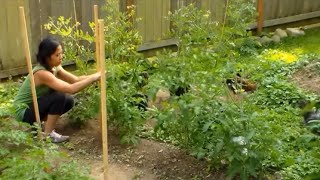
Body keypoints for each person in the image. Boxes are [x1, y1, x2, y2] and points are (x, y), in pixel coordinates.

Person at [13, 37, 101, 143]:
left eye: (61, 53)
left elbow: (75, 80)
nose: (61, 57)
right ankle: (48, 135)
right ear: (47, 57)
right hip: (23, 112)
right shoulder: (42, 73)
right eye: (57, 55)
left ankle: (41, 126)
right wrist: (93, 78)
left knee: (68, 101)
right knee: (59, 96)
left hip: (35, 106)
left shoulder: (55, 67)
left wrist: (97, 75)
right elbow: (71, 88)